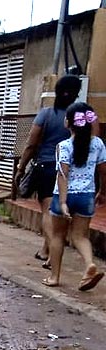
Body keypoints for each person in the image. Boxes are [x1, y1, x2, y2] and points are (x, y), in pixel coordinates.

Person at [16, 75, 83, 265]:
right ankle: (46, 249)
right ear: (76, 93)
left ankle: (51, 254)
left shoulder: (46, 114)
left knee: (47, 211)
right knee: (60, 212)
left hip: (46, 167)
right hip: (71, 170)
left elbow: (31, 143)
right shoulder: (82, 116)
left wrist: (21, 168)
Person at [43, 102, 106, 290]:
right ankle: (89, 265)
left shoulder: (63, 146)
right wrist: (103, 192)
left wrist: (62, 202)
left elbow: (62, 175)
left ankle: (54, 277)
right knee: (81, 236)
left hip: (64, 196)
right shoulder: (98, 143)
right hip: (86, 196)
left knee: (57, 236)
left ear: (67, 123)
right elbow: (104, 171)